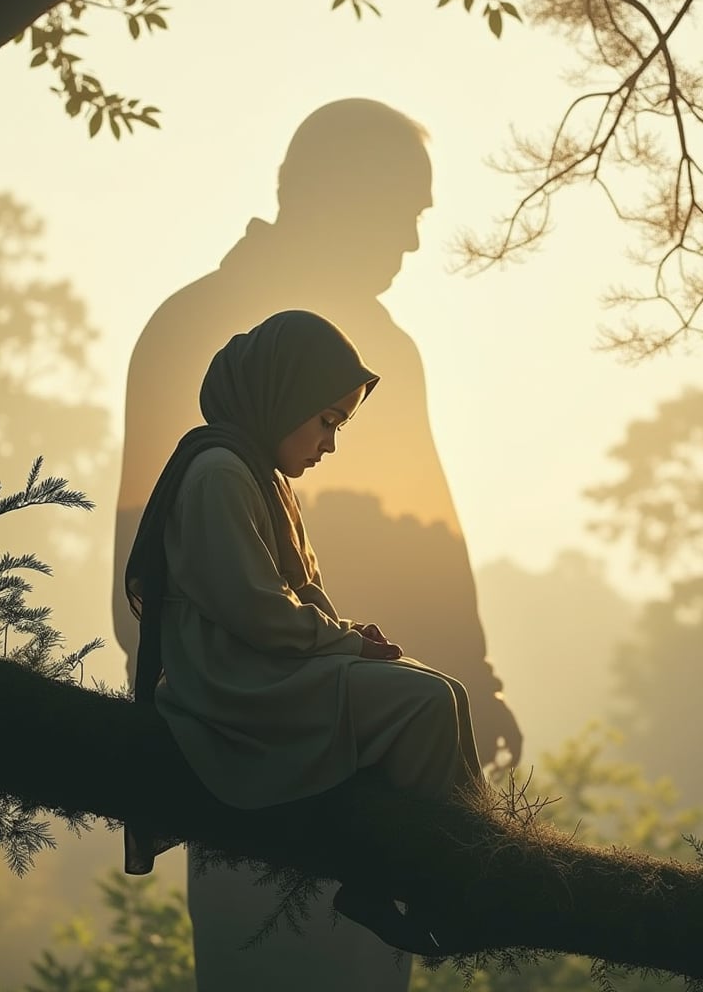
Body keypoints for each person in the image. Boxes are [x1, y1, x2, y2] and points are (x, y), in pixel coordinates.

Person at [113, 98, 521, 988]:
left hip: (376, 720)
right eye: (405, 211)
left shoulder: (381, 351)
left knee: (372, 962)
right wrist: (237, 703)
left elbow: (429, 538)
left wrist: (470, 683)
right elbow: (147, 566)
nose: (413, 243)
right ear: (339, 194)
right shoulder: (196, 329)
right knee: (267, 956)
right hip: (258, 719)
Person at [124, 310, 484, 971]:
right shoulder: (220, 474)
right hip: (237, 692)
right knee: (426, 703)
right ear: (281, 399)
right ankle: (448, 881)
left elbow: (293, 602)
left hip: (272, 673)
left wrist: (346, 635)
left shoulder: (258, 474)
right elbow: (258, 611)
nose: (330, 443)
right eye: (326, 421)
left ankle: (444, 874)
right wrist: (344, 645)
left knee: (446, 692)